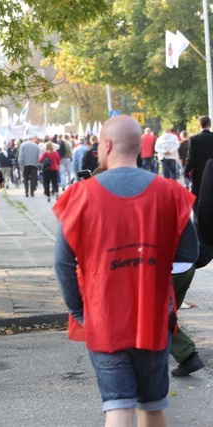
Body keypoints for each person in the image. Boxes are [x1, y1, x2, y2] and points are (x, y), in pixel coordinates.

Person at [53, 115, 198, 427]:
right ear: (138, 146)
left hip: (104, 319)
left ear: (106, 145)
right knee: (153, 406)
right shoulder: (170, 192)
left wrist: (80, 312)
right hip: (154, 318)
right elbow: (189, 254)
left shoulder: (80, 196)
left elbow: (63, 264)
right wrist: (155, 274)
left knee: (118, 407)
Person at [185, 116, 213, 206]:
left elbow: (191, 158)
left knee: (196, 198)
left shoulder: (194, 139)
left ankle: (197, 218)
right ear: (210, 124)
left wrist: (187, 170)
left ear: (199, 125)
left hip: (199, 173)